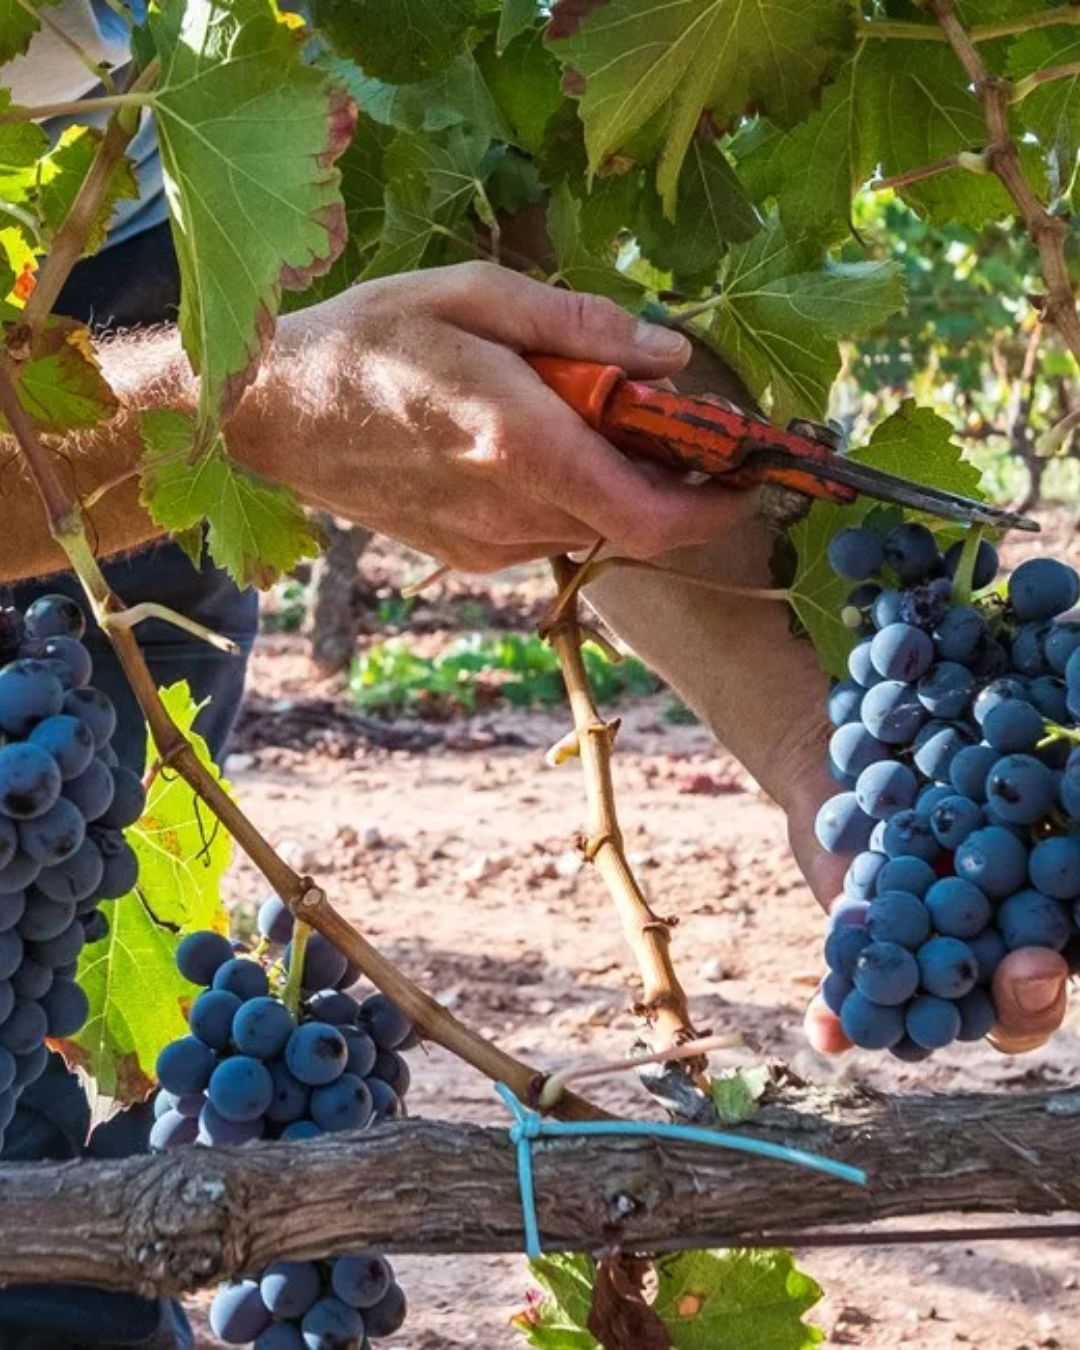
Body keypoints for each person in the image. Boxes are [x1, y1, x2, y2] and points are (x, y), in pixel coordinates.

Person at [1, 4, 1068, 1347]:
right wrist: (255, 408)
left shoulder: (218, 81)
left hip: (168, 277)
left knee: (66, 1155)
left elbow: (509, 344)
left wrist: (823, 763)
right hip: (166, 374)